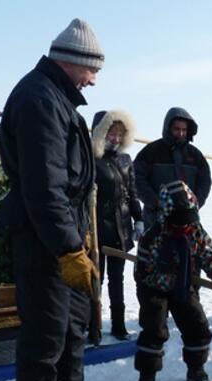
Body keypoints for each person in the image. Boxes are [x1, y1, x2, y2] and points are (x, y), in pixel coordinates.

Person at [0, 18, 111, 381]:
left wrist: (76, 242)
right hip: (43, 240)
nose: (94, 81)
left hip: (65, 236)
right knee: (45, 337)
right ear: (72, 60)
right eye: (92, 70)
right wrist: (67, 249)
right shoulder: (39, 99)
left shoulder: (58, 99)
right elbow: (46, 187)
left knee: (72, 327)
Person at [133, 180, 212, 381]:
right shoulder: (153, 236)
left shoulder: (195, 230)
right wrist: (168, 274)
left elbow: (210, 257)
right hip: (154, 289)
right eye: (179, 222)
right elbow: (143, 273)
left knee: (197, 326)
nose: (185, 226)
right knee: (154, 330)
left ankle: (196, 371)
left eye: (188, 220)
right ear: (166, 215)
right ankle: (147, 377)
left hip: (184, 286)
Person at [90, 109, 143, 340]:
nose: (116, 138)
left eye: (120, 134)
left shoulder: (125, 160)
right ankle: (93, 327)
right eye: (112, 133)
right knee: (96, 281)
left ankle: (119, 326)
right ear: (101, 133)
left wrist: (139, 219)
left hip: (121, 230)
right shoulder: (91, 159)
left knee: (118, 280)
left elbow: (131, 193)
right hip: (98, 230)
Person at [133, 107, 211, 229]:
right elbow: (137, 179)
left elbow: (205, 181)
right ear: (168, 128)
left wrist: (198, 200)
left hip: (187, 219)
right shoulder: (151, 152)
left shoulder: (195, 155)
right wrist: (155, 201)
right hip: (156, 219)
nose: (181, 134)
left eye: (184, 130)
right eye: (177, 129)